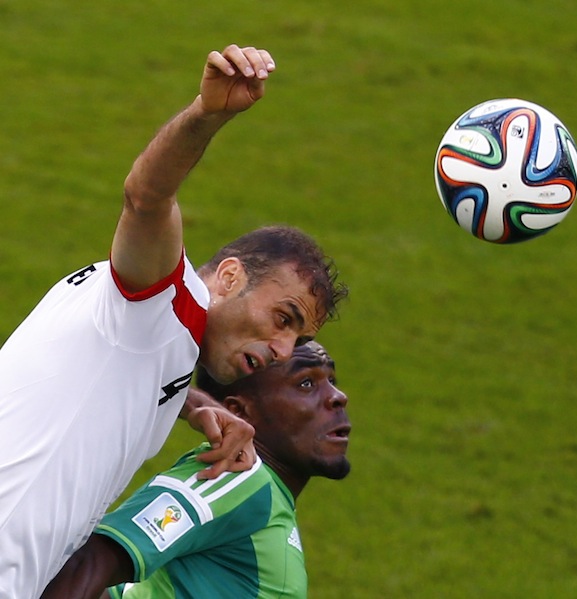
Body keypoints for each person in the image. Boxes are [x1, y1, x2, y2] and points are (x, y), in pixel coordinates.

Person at [0, 45, 347, 598]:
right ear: (229, 277)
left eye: (297, 336)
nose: (284, 349)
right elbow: (146, 196)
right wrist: (207, 115)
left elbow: (121, 370)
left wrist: (199, 407)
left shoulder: (147, 332)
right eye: (283, 318)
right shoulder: (167, 301)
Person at [42, 340, 352, 598]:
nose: (339, 397)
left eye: (332, 382)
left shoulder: (268, 500)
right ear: (237, 413)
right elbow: (90, 562)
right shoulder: (238, 477)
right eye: (307, 383)